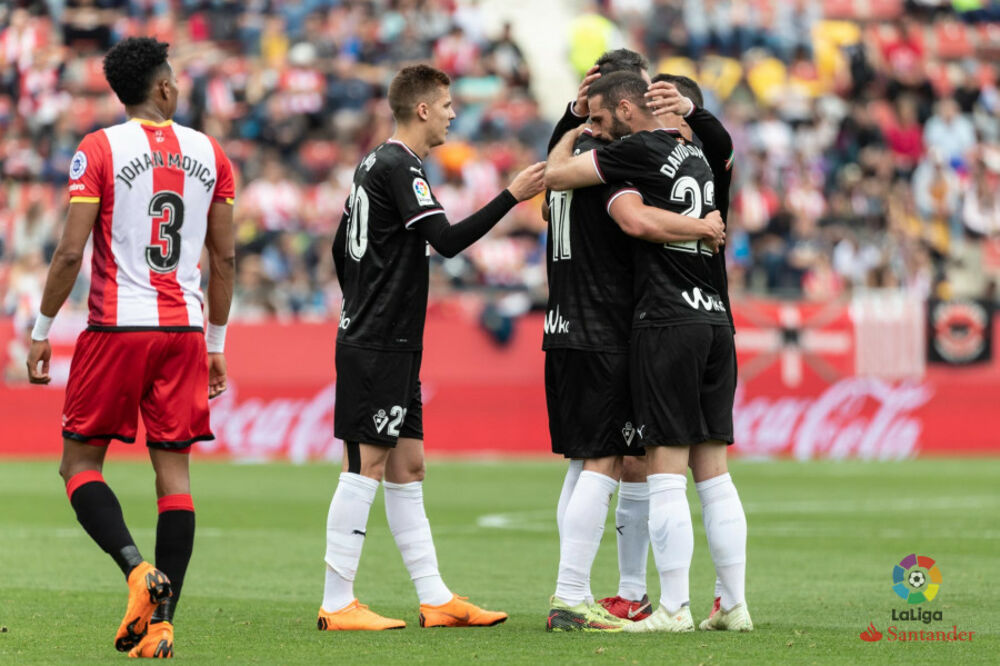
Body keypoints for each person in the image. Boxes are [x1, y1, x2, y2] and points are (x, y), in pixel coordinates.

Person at [25, 37, 236, 657]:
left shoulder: (98, 149)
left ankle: (138, 572)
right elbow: (222, 257)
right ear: (165, 89)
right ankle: (163, 625)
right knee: (175, 477)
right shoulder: (211, 153)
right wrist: (217, 342)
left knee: (78, 466)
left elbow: (69, 251)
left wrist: (41, 331)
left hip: (117, 329)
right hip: (184, 331)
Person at [320, 64, 545, 631]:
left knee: (409, 466)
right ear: (422, 109)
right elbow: (445, 241)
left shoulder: (374, 163)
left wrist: (361, 298)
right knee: (365, 464)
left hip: (389, 337)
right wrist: (511, 196)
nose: (451, 113)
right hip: (378, 341)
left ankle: (436, 598)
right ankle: (336, 600)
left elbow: (338, 247)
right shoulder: (400, 165)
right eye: (446, 105)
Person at [545, 71, 751, 633]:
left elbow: (563, 183)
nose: (600, 128)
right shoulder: (709, 162)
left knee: (657, 472)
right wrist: (704, 226)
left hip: (664, 323)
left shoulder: (635, 154)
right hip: (717, 319)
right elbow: (727, 147)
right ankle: (732, 603)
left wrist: (570, 119)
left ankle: (672, 607)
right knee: (714, 475)